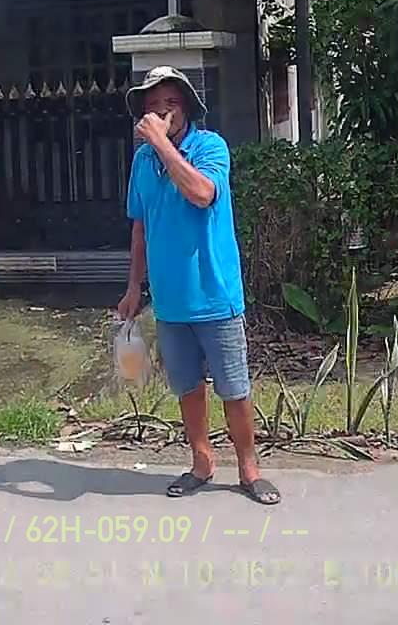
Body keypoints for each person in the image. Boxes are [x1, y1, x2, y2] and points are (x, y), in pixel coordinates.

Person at [116, 66, 280, 506]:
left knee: (234, 389)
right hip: (170, 301)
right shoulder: (142, 162)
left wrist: (162, 144)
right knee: (188, 388)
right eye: (152, 106)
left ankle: (249, 469)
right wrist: (134, 287)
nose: (161, 112)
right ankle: (202, 462)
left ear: (186, 108)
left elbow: (202, 193)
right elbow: (139, 227)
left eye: (169, 103)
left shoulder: (210, 147)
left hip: (215, 296)